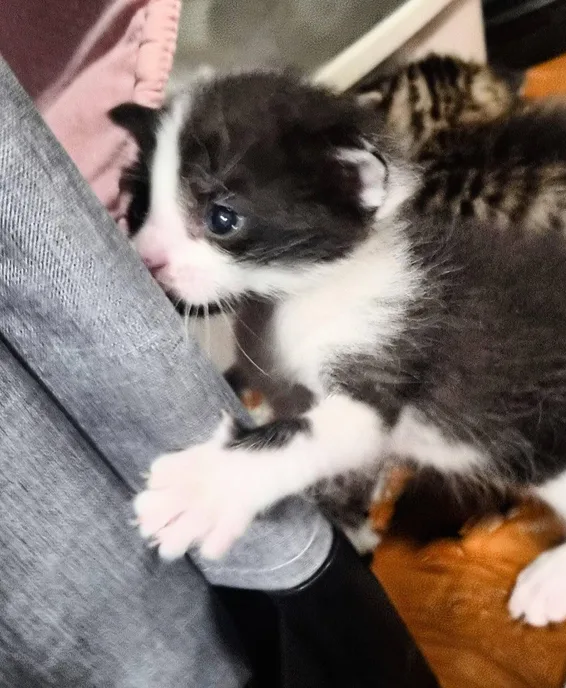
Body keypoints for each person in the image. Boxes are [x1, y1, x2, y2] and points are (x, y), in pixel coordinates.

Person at [0, 57, 437, 688]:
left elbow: (359, 419)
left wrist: (235, 478)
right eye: (145, 204)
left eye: (219, 219)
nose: (142, 255)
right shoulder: (280, 288)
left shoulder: (371, 289)